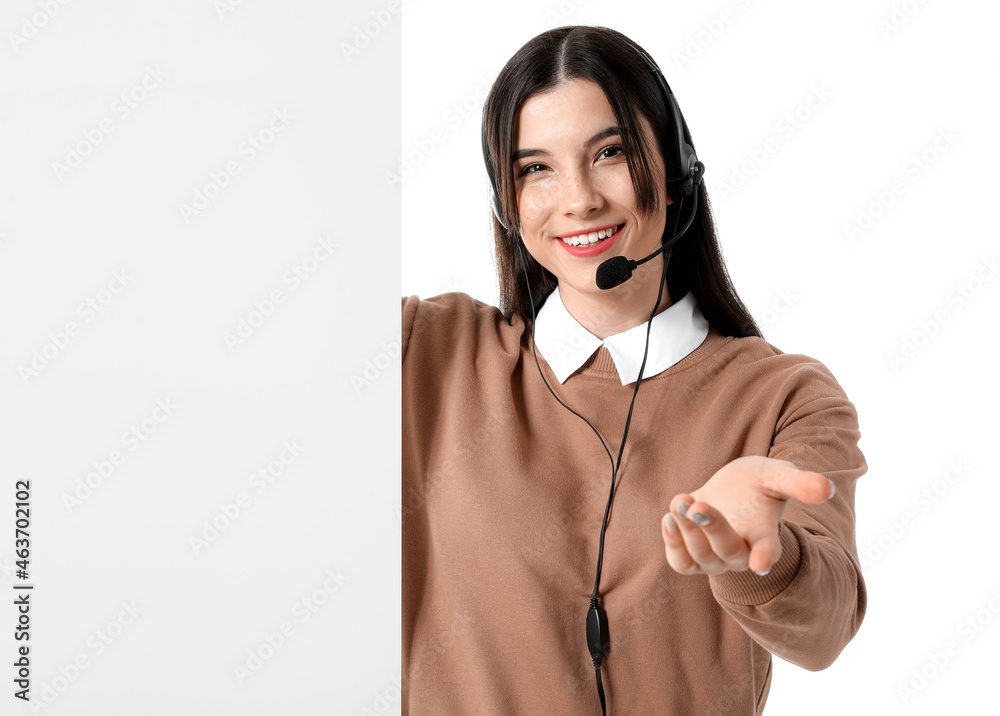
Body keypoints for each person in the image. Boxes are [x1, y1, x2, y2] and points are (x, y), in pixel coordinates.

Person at [401, 25, 866, 715]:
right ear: (509, 203)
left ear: (676, 174)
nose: (580, 199)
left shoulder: (782, 396)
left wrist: (758, 562)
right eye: (536, 169)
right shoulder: (424, 353)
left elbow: (824, 629)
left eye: (610, 153)